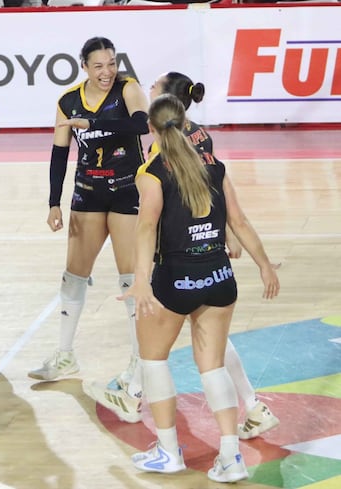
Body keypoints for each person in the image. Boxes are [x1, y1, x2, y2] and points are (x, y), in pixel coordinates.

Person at [82, 72, 281, 441]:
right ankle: (251, 408)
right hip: (210, 258)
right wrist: (224, 233)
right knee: (211, 340)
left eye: (154, 87)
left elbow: (152, 221)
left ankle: (140, 403)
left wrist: (142, 275)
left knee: (159, 344)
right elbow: (210, 193)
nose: (148, 89)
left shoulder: (161, 155)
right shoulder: (201, 135)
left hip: (178, 258)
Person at [124, 93, 280, 482]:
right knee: (213, 367)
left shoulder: (152, 172)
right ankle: (231, 457)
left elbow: (146, 227)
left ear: (151, 128)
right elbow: (239, 222)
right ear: (186, 123)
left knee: (153, 361)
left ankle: (167, 451)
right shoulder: (214, 164)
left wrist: (141, 280)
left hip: (175, 279)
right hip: (219, 277)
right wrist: (264, 265)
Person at [28, 36, 149, 386]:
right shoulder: (68, 101)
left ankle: (139, 362)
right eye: (98, 66)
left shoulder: (128, 88)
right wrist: (54, 201)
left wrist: (93, 125)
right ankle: (65, 356)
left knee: (131, 279)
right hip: (88, 192)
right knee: (73, 275)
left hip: (127, 190)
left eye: (111, 63)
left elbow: (141, 124)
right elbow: (58, 154)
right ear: (84, 67)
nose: (106, 72)